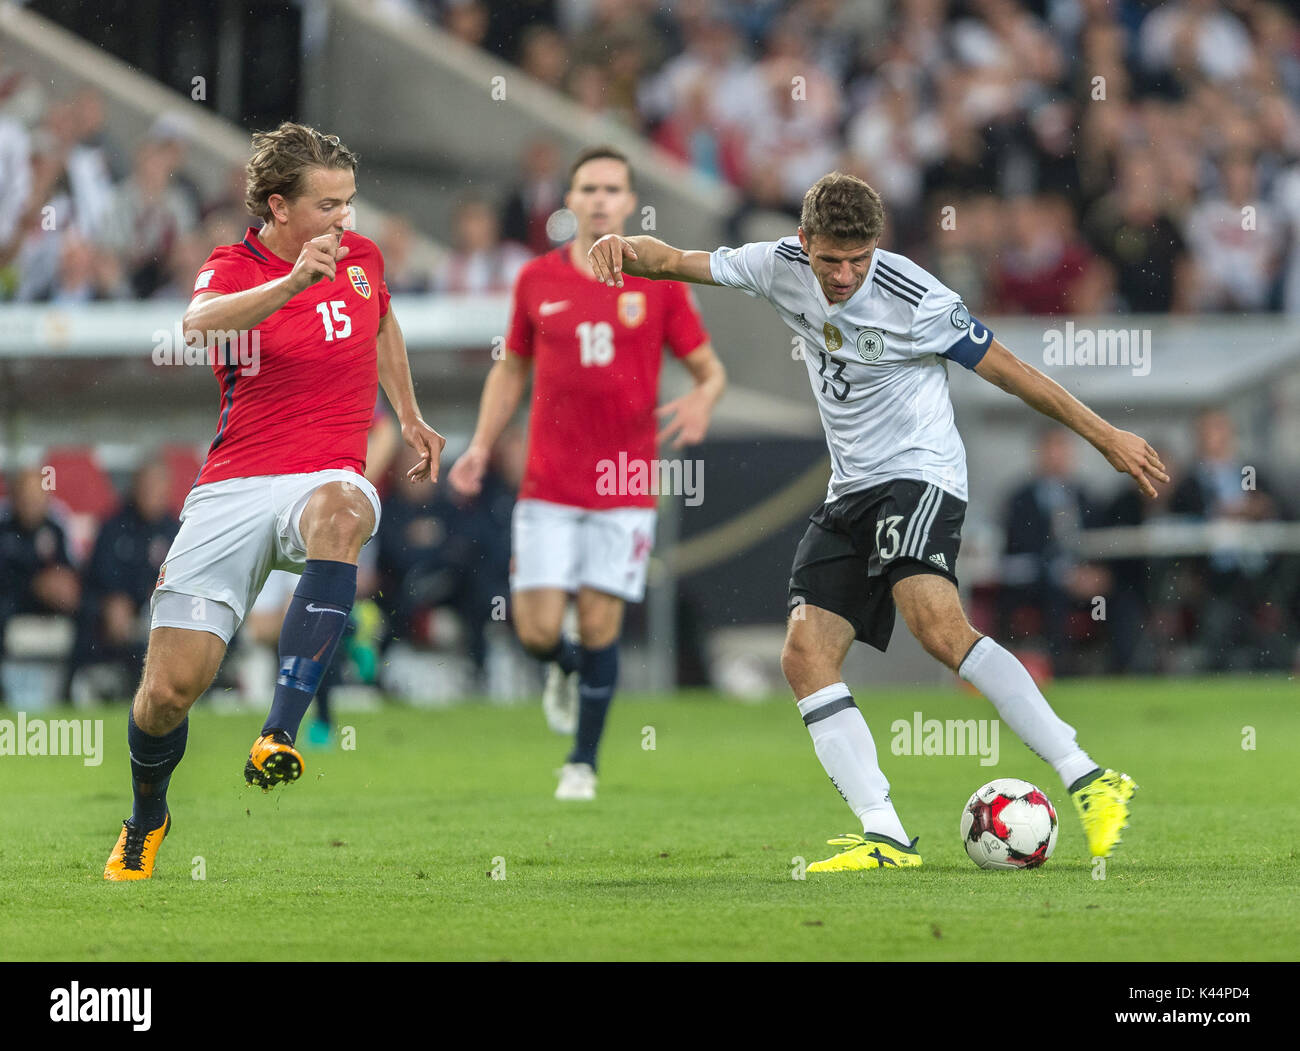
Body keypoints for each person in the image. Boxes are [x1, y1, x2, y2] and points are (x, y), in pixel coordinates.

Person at [588, 171, 1167, 869]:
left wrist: (1106, 435)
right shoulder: (777, 265)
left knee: (936, 626)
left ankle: (1089, 775)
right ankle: (886, 833)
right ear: (805, 243)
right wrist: (618, 247)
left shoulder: (917, 298)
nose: (844, 275)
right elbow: (678, 261)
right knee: (805, 657)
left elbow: (1011, 370)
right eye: (831, 259)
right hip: (851, 489)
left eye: (859, 259)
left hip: (920, 474)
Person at [103, 122, 444, 880]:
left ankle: (280, 732)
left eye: (349, 202)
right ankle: (146, 816)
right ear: (278, 206)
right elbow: (196, 327)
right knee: (167, 692)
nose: (345, 220)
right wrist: (292, 284)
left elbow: (382, 319)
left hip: (323, 472)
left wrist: (409, 411)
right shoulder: (233, 264)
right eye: (328, 205)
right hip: (233, 484)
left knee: (344, 511)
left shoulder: (363, 259)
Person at [448, 145, 725, 801]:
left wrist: (702, 397)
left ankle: (582, 762)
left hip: (626, 482)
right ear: (568, 201)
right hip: (548, 478)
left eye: (612, 189)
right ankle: (562, 668)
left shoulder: (658, 281)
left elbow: (710, 368)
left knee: (600, 623)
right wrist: (482, 444)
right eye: (588, 188)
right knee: (538, 630)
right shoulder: (537, 280)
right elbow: (511, 366)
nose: (600, 199)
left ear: (630, 202)